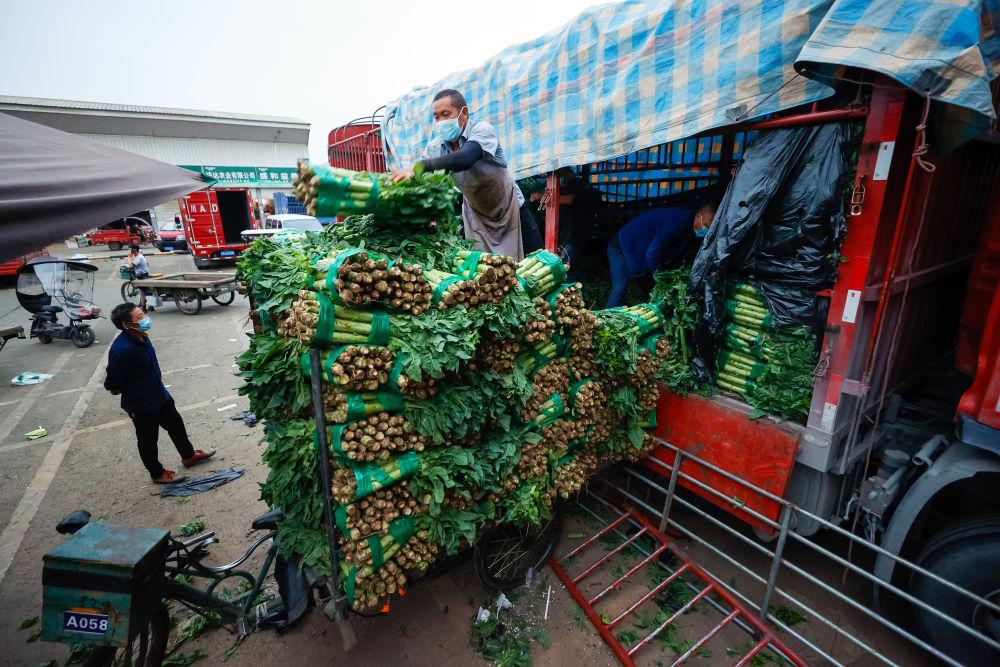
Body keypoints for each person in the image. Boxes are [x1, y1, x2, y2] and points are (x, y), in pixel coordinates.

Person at [391, 89, 537, 260]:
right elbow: (421, 182)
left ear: (464, 113)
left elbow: (466, 158)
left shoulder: (481, 130)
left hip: (510, 209)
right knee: (485, 271)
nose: (440, 121)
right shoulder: (434, 148)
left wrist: (422, 166)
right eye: (436, 117)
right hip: (476, 215)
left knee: (532, 262)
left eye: (446, 114)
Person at [104, 303, 215, 484]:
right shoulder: (122, 350)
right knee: (148, 440)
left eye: (143, 314)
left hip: (159, 394)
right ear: (126, 324)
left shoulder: (142, 336)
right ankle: (157, 473)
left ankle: (188, 456)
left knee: (176, 425)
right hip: (142, 404)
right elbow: (112, 383)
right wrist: (131, 390)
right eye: (139, 317)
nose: (145, 319)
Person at [606, 202, 716, 308]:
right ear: (698, 216)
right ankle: (607, 321)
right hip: (620, 246)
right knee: (620, 288)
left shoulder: (687, 227)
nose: (706, 231)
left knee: (649, 290)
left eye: (710, 229)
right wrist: (662, 280)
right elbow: (652, 254)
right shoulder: (677, 222)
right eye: (706, 226)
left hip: (639, 251)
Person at [125, 244, 153, 311]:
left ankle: (143, 308)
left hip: (142, 277)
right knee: (147, 291)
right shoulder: (139, 255)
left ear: (134, 250)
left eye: (130, 250)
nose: (128, 251)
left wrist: (129, 257)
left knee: (142, 291)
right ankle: (150, 306)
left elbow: (131, 266)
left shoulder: (138, 258)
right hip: (144, 274)